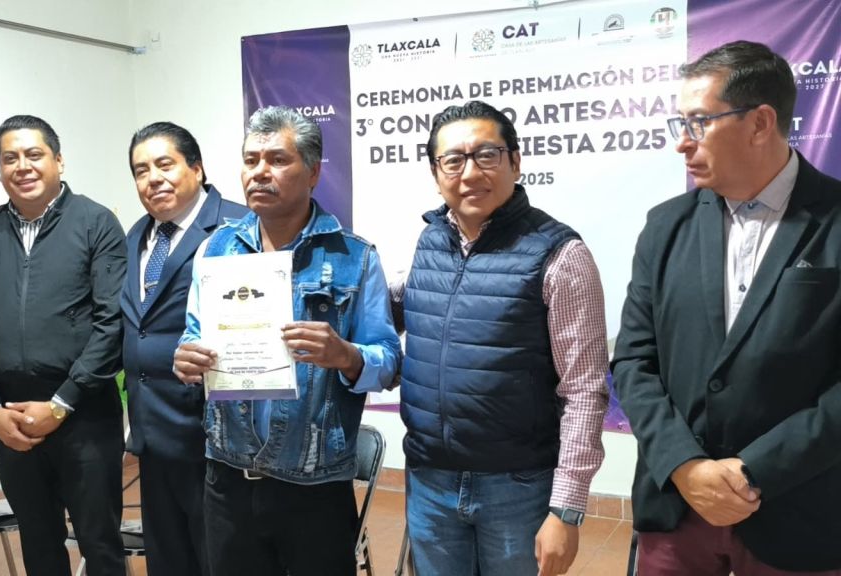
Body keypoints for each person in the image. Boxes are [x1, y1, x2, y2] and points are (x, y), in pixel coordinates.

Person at [612, 40, 841, 574]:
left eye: (699, 122)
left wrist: (756, 471)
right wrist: (685, 465)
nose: (682, 142)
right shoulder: (665, 226)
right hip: (676, 505)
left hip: (799, 509)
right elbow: (634, 361)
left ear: (760, 123)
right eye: (681, 123)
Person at [172, 105, 401, 576]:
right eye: (251, 160)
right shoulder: (216, 250)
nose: (260, 172)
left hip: (314, 483)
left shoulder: (354, 258)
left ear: (313, 172)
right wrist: (187, 358)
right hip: (228, 474)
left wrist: (346, 355)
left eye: (278, 160)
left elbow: (388, 362)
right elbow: (194, 335)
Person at [394, 100, 609, 576]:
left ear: (515, 161)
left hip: (517, 486)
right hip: (430, 481)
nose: (470, 173)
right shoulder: (431, 241)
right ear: (436, 173)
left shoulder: (560, 254)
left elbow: (584, 390)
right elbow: (407, 305)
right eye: (454, 160)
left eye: (486, 155)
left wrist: (566, 509)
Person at [0, 115, 127, 575]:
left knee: (100, 543)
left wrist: (62, 403)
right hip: (13, 417)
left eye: (34, 154)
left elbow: (112, 323)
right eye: (10, 158)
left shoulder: (96, 222)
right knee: (38, 541)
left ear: (59, 161)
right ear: (0, 169)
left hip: (85, 411)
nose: (22, 166)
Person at [121, 121, 247, 575]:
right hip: (153, 437)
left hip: (212, 438)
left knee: (221, 561)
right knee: (169, 562)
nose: (153, 178)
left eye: (164, 164)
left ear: (196, 168)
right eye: (141, 170)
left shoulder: (239, 227)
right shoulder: (136, 235)